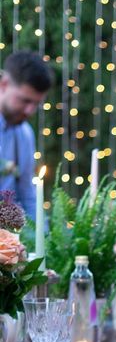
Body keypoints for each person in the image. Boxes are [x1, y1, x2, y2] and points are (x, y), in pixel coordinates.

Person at [0, 52, 52, 219]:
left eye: (36, 103)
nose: (30, 111)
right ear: (4, 85)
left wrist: (45, 239)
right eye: (24, 100)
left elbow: (28, 196)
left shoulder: (25, 133)